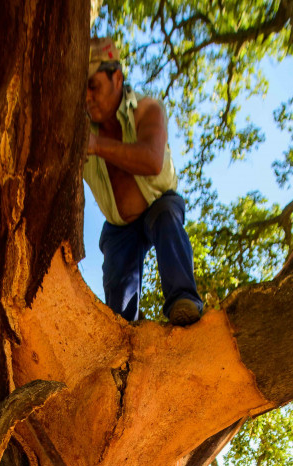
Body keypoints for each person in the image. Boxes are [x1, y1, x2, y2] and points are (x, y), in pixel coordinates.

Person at [84, 36, 204, 326]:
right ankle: (128, 333)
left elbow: (152, 160)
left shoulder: (148, 109)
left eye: (92, 85)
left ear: (117, 78)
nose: (86, 97)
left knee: (165, 217)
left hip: (158, 204)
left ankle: (183, 300)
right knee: (119, 314)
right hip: (119, 226)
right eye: (80, 90)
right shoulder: (77, 127)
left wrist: (96, 145)